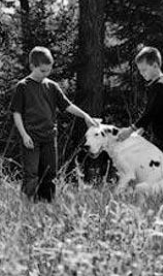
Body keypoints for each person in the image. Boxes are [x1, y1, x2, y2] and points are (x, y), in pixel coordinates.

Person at [10, 46, 101, 202]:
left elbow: (67, 105)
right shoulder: (23, 86)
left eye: (48, 70)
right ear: (32, 66)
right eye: (42, 71)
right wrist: (24, 135)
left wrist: (85, 115)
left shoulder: (52, 86)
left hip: (49, 137)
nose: (46, 74)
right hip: (30, 137)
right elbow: (16, 113)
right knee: (31, 174)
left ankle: (47, 204)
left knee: (49, 173)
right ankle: (27, 206)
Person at [119, 46, 163, 193]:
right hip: (159, 135)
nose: (142, 74)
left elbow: (150, 113)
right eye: (140, 71)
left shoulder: (162, 85)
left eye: (144, 70)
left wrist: (131, 129)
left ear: (155, 65)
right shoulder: (153, 85)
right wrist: (140, 131)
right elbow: (151, 112)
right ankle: (162, 194)